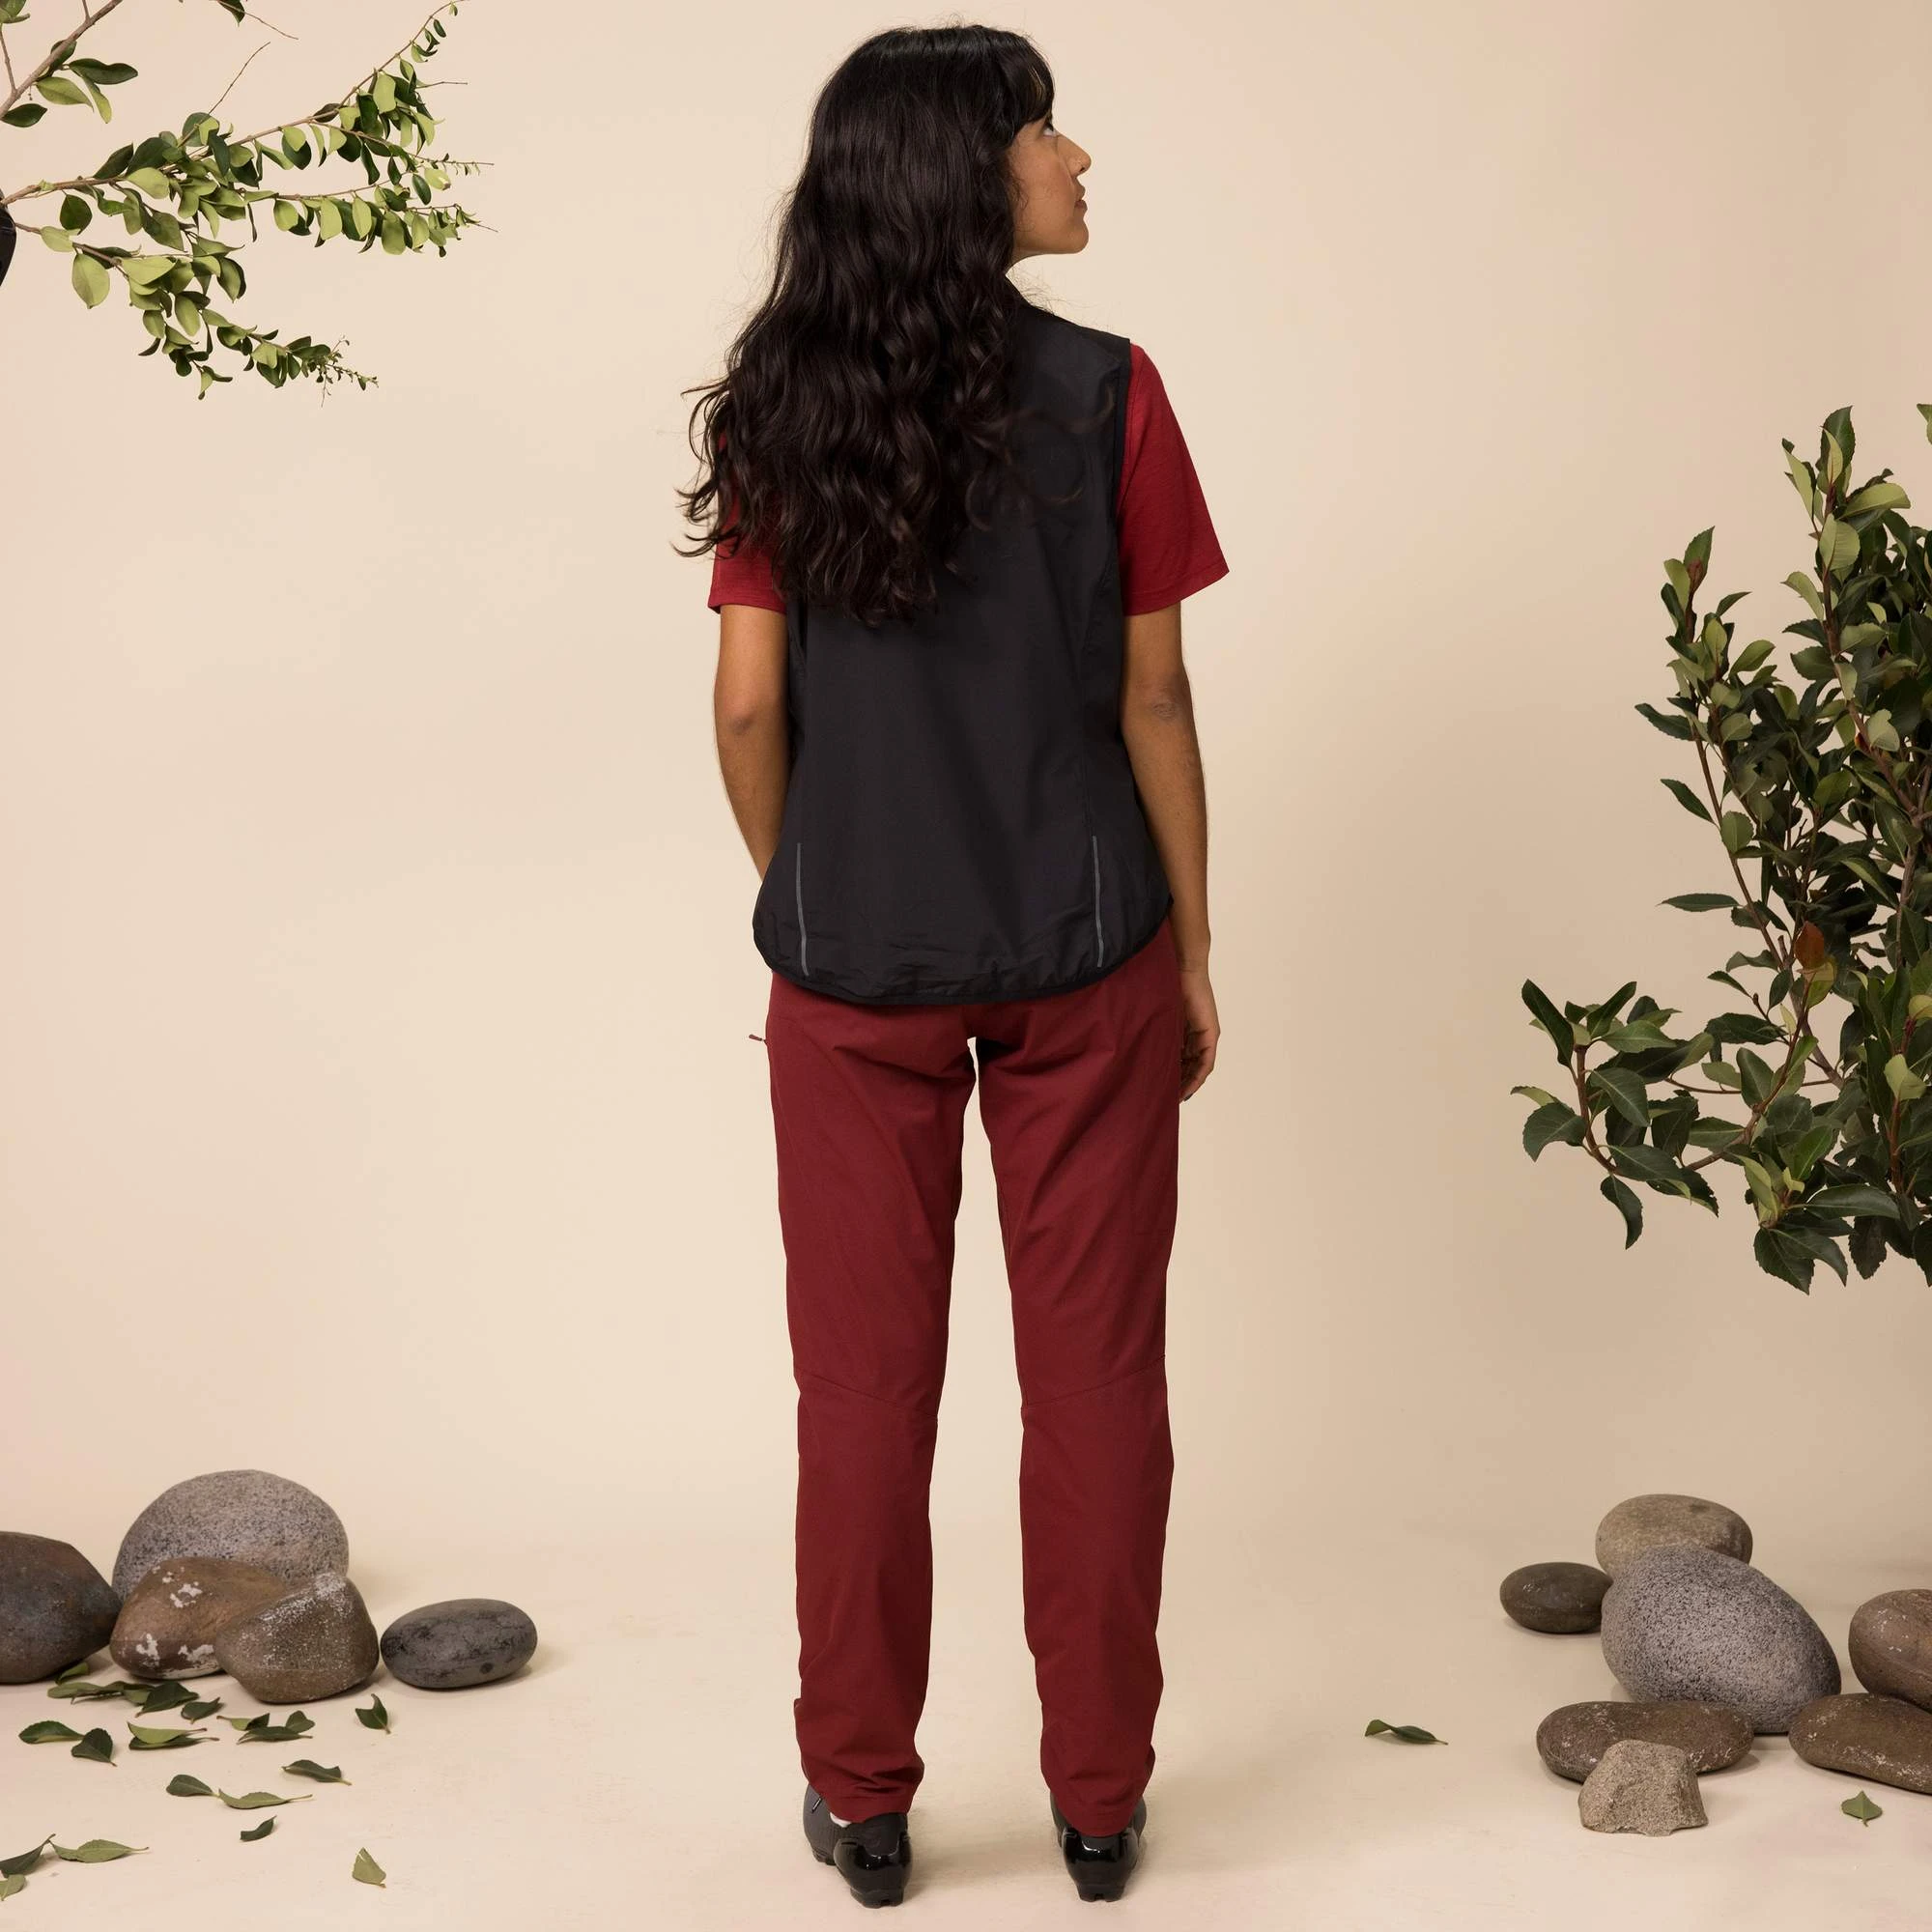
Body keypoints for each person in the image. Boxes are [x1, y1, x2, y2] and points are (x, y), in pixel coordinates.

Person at [676, 23, 1228, 1908]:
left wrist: (815, 885)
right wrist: (1194, 944)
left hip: (853, 978)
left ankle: (863, 1800)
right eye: (1043, 131)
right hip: (1089, 947)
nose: (1077, 158)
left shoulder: (780, 405)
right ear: (964, 172)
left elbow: (745, 707)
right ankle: (1098, 1804)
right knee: (1099, 1391)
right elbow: (1155, 696)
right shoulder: (1110, 391)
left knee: (860, 1399)